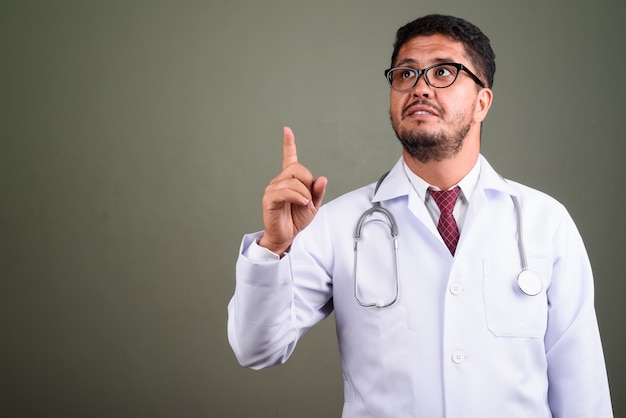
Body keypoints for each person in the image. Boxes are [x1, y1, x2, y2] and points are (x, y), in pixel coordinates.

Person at [227, 14, 613, 417]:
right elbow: (256, 349)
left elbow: (581, 386)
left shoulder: (545, 222)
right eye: (406, 74)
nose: (420, 87)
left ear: (482, 102)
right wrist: (273, 246)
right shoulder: (337, 224)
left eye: (443, 72)